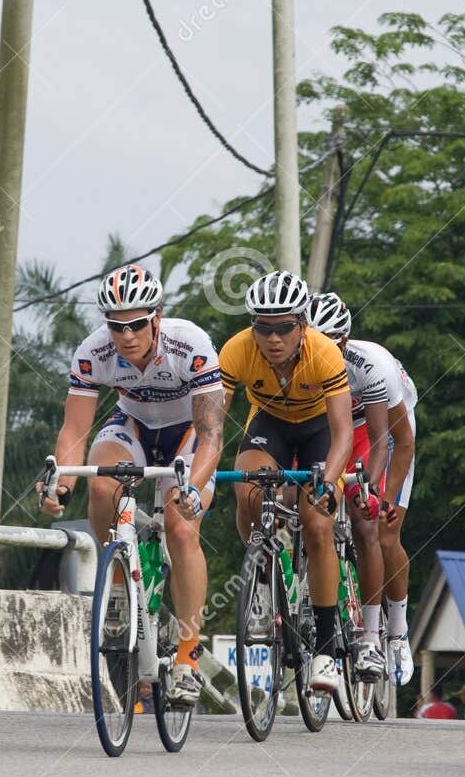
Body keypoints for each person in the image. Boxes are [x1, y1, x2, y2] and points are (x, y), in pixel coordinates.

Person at [37, 264, 224, 706]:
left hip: (189, 433)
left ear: (156, 317)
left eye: (137, 324)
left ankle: (187, 657)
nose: (126, 335)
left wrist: (194, 486)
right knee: (102, 487)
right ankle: (118, 578)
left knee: (180, 526)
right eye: (116, 326)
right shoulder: (92, 352)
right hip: (134, 426)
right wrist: (60, 482)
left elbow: (212, 433)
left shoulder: (190, 344)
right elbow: (75, 431)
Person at [217, 271, 353, 695]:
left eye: (283, 327)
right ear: (252, 326)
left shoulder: (324, 353)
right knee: (248, 487)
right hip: (271, 423)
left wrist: (328, 483)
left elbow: (344, 431)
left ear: (302, 325)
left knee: (316, 523)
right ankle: (261, 578)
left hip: (319, 430)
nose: (272, 338)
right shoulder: (237, 350)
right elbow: (213, 425)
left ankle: (327, 649)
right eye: (263, 327)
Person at [308, 292, 419, 684]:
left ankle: (389, 633)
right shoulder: (296, 360)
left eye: (331, 342)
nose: (322, 349)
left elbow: (394, 441)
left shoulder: (370, 366)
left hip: (383, 431)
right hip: (335, 428)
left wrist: (381, 497)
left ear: (344, 340)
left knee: (378, 528)